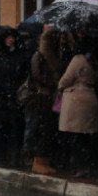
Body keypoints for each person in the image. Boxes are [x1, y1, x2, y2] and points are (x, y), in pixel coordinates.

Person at [0, 26, 30, 167]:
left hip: (12, 100)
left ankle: (11, 157)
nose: (11, 40)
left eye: (13, 37)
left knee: (13, 131)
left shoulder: (19, 55)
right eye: (8, 37)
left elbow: (23, 74)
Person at [58, 34, 98, 178]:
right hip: (90, 97)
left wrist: (59, 85)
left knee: (76, 136)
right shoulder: (94, 60)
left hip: (77, 99)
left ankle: (79, 166)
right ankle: (89, 165)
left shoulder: (78, 59)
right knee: (87, 135)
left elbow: (67, 78)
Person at [25, 27, 61, 174]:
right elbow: (36, 74)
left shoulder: (52, 56)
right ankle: (36, 160)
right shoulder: (39, 55)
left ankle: (42, 160)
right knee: (39, 128)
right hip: (41, 97)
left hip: (49, 97)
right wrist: (53, 83)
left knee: (46, 129)